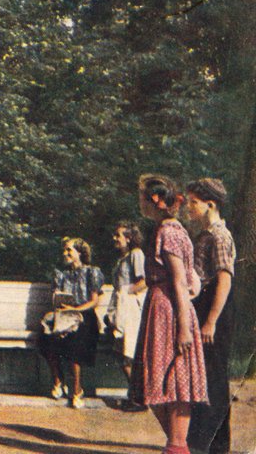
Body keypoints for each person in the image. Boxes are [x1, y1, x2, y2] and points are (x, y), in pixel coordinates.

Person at [131, 174, 207, 454]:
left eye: (142, 198)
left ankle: (177, 446)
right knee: (163, 380)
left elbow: (178, 279)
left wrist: (184, 327)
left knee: (170, 379)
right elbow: (192, 280)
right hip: (166, 306)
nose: (140, 203)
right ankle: (178, 445)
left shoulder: (168, 232)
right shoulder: (175, 230)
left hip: (169, 310)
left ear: (155, 201)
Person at [185, 179, 236, 454]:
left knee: (214, 380)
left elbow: (224, 280)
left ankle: (217, 446)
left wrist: (211, 321)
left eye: (193, 202)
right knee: (204, 377)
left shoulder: (219, 236)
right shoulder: (203, 234)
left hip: (215, 311)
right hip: (202, 308)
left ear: (210, 204)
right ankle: (206, 442)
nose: (189, 207)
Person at [39, 237, 104, 409]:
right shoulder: (61, 274)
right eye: (64, 250)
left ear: (80, 253)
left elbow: (94, 301)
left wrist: (76, 309)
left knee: (75, 340)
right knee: (46, 335)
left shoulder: (92, 272)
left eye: (69, 250)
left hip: (84, 315)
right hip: (64, 314)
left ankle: (77, 389)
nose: (65, 253)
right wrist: (60, 304)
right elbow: (56, 298)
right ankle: (58, 380)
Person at [104, 221, 147, 410]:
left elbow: (144, 281)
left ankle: (140, 398)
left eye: (118, 235)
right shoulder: (122, 259)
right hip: (122, 309)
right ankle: (137, 395)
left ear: (129, 238)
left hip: (131, 310)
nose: (115, 238)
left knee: (129, 354)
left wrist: (126, 294)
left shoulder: (136, 255)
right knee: (122, 354)